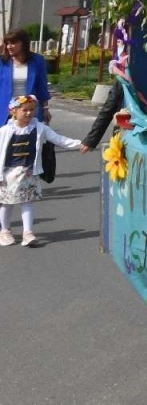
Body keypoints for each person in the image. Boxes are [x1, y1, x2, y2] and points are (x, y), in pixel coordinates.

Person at [0, 95, 87, 247]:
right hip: (8, 174)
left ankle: (28, 232)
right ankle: (5, 231)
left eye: (32, 110)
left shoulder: (40, 128)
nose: (29, 113)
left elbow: (59, 139)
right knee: (7, 203)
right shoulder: (5, 131)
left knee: (28, 201)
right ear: (13, 111)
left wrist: (82, 144)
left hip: (28, 173)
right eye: (24, 110)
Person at [0, 30, 52, 125]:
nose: (9, 47)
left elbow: (42, 86)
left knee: (28, 139)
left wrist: (45, 109)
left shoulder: (37, 60)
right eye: (7, 44)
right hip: (5, 110)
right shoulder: (3, 62)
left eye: (13, 43)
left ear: (23, 43)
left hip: (29, 110)